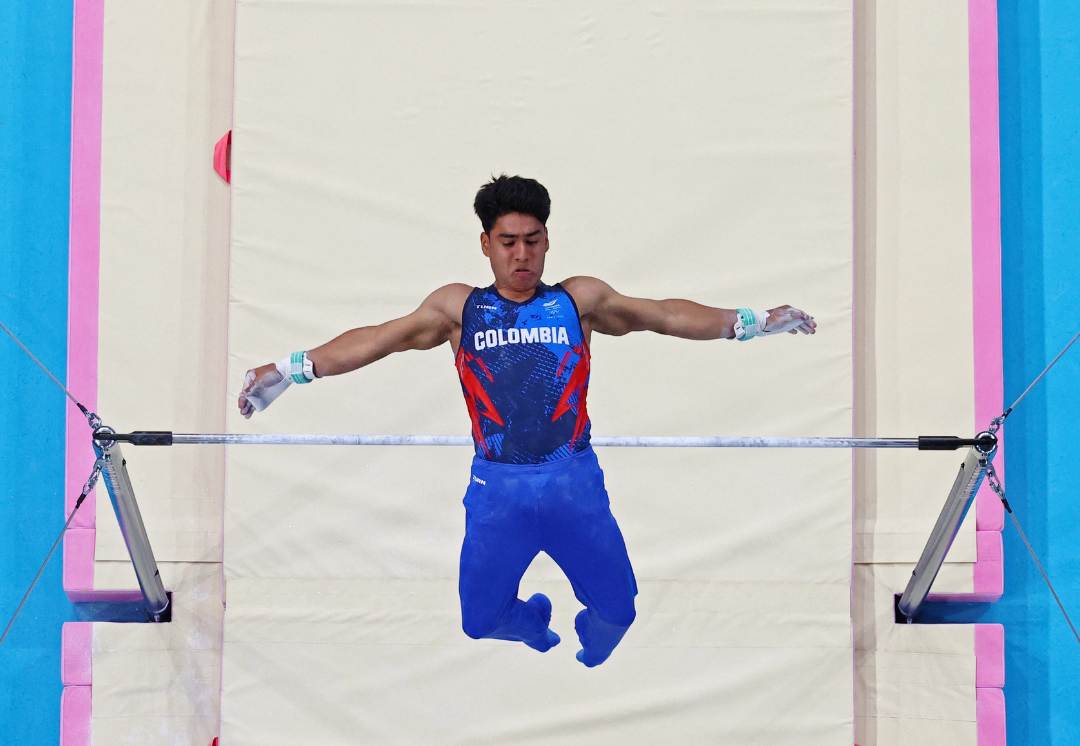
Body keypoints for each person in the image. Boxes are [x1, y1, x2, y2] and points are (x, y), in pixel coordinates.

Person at [238, 175, 817, 666]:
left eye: (532, 242)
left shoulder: (578, 300)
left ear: (547, 242)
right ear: (486, 244)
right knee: (480, 620)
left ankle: (591, 642)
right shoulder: (458, 309)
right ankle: (533, 625)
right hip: (500, 493)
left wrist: (754, 321)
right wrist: (290, 370)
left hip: (573, 485)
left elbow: (662, 315)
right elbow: (376, 341)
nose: (521, 256)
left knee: (619, 613)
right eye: (508, 242)